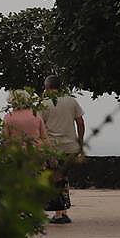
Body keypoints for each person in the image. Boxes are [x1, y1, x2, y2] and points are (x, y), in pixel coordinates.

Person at [40, 74, 85, 225]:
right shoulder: (71, 101)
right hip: (70, 147)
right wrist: (80, 141)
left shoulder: (44, 104)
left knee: (53, 178)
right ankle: (62, 211)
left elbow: (40, 127)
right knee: (63, 178)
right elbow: (80, 122)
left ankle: (59, 213)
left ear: (46, 88)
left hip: (52, 147)